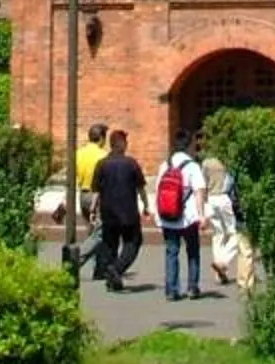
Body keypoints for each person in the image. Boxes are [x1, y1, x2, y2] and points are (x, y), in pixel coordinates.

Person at [90, 128, 147, 291]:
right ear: (122, 145)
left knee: (110, 244)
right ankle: (116, 269)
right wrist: (146, 205)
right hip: (128, 212)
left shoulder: (102, 164)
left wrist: (94, 210)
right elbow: (140, 188)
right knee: (133, 242)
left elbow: (96, 191)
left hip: (108, 212)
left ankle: (111, 277)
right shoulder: (131, 163)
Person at [154, 146, 207, 301]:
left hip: (168, 216)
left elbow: (158, 190)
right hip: (188, 217)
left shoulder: (165, 166)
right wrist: (201, 215)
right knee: (193, 252)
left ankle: (171, 290)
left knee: (171, 252)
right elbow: (199, 192)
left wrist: (158, 215)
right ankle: (192, 287)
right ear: (188, 146)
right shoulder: (193, 166)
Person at [201, 143, 244, 293]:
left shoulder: (206, 163)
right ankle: (223, 262)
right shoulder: (226, 162)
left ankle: (219, 274)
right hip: (224, 198)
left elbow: (203, 184)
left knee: (218, 234)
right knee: (234, 233)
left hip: (211, 199)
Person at [72, 120, 108, 278]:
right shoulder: (104, 155)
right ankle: (76, 260)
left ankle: (99, 269)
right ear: (101, 138)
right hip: (97, 197)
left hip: (83, 194)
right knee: (100, 234)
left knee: (92, 231)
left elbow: (74, 177)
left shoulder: (79, 153)